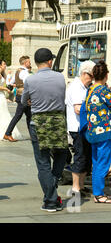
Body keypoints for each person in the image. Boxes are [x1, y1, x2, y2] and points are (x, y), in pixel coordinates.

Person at [22, 48, 69, 212]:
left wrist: (31, 101)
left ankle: (50, 199)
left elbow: (23, 100)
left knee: (42, 163)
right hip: (57, 121)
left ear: (36, 63)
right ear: (50, 61)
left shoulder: (30, 80)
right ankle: (52, 186)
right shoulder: (59, 77)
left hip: (38, 123)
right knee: (62, 154)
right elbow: (62, 97)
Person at [85, 61, 111, 204]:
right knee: (103, 163)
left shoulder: (91, 89)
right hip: (105, 130)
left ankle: (97, 192)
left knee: (97, 162)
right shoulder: (103, 91)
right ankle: (99, 194)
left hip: (93, 131)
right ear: (106, 75)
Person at [65, 60, 96, 198]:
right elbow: (78, 109)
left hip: (84, 127)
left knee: (86, 157)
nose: (93, 78)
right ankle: (75, 188)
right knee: (80, 156)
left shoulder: (84, 87)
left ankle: (81, 186)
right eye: (92, 75)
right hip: (77, 127)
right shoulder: (77, 87)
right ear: (85, 74)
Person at [3, 56, 32, 142]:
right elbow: (29, 83)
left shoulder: (18, 71)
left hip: (20, 95)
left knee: (29, 116)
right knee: (18, 116)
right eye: (29, 62)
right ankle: (7, 133)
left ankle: (33, 135)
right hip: (24, 96)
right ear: (25, 63)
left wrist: (18, 85)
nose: (30, 64)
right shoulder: (25, 72)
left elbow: (10, 82)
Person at [0, 60, 22, 141]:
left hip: (2, 96)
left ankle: (6, 132)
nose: (5, 65)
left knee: (4, 113)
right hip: (0, 95)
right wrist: (5, 89)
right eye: (4, 64)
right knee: (2, 113)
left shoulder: (2, 74)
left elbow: (6, 82)